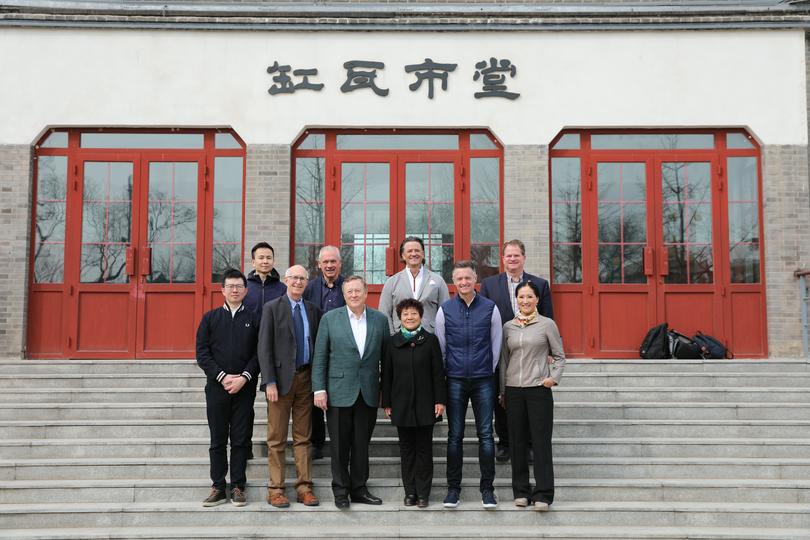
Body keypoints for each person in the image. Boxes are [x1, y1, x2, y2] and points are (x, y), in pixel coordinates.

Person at [312, 275, 389, 509]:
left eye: (358, 291)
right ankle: (340, 490)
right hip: (338, 392)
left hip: (368, 392)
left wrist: (386, 394)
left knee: (361, 444)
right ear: (344, 295)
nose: (354, 295)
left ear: (366, 293)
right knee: (339, 445)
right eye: (349, 292)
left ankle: (359, 488)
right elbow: (320, 358)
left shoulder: (380, 320)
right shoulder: (329, 319)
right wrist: (319, 389)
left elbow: (387, 361)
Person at [434, 261, 502, 509]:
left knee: (485, 435)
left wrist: (486, 368)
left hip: (483, 379)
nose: (464, 282)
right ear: (454, 281)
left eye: (468, 278)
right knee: (455, 436)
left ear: (476, 280)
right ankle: (453, 490)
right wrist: (448, 372)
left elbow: (496, 346)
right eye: (459, 278)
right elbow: (441, 347)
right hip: (455, 380)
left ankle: (488, 490)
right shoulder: (445, 310)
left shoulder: (490, 308)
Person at [480, 239, 553, 463]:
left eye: (516, 255)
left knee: (531, 398)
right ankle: (505, 443)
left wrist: (550, 349)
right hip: (500, 350)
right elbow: (484, 318)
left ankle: (530, 445)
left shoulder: (539, 284)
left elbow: (549, 318)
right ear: (503, 259)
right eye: (508, 255)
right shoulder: (489, 285)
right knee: (501, 398)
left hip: (532, 352)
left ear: (524, 257)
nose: (512, 259)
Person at [258, 265, 322, 508]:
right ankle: (275, 489)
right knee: (276, 439)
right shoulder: (272, 308)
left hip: (306, 380)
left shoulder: (313, 310)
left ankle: (304, 488)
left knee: (303, 438)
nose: (298, 282)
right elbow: (264, 347)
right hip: (280, 383)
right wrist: (269, 381)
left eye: (302, 278)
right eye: (294, 278)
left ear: (307, 282)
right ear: (285, 280)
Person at [195, 268, 260, 508]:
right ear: (222, 290)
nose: (234, 290)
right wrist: (222, 377)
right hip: (216, 388)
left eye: (239, 286)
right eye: (230, 286)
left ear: (245, 290)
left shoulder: (254, 319)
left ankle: (238, 486)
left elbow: (258, 354)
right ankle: (218, 486)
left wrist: (244, 377)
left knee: (241, 439)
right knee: (218, 439)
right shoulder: (210, 318)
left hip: (245, 388)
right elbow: (202, 353)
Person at [499, 281, 565, 512]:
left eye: (529, 297)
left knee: (540, 443)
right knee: (516, 443)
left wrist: (553, 378)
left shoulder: (547, 325)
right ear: (516, 299)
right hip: (514, 390)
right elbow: (504, 361)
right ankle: (521, 492)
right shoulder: (508, 327)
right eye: (521, 297)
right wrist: (502, 390)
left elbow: (559, 355)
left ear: (537, 299)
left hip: (538, 390)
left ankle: (544, 494)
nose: (525, 301)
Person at [382, 299, 446, 508]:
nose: (410, 317)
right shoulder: (392, 342)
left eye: (413, 314)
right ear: (399, 318)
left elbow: (438, 374)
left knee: (424, 450)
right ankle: (410, 492)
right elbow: (387, 375)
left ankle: (423, 494)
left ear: (421, 316)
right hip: (401, 404)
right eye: (405, 314)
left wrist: (440, 400)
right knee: (407, 450)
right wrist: (387, 403)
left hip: (426, 403)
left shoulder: (430, 340)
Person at [302, 245, 346, 460]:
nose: (329, 265)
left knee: (339, 398)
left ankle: (341, 443)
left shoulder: (347, 287)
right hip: (315, 350)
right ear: (319, 265)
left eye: (333, 262)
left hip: (341, 352)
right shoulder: (309, 288)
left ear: (340, 263)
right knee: (315, 396)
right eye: (325, 262)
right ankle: (317, 443)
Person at [378, 236, 450, 334]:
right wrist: (392, 338)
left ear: (423, 254)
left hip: (429, 338)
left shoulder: (438, 281)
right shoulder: (392, 282)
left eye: (417, 250)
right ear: (403, 255)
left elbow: (446, 312)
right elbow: (384, 313)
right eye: (409, 251)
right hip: (400, 339)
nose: (414, 254)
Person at [244, 242, 286, 316]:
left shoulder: (283, 289)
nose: (265, 261)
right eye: (261, 258)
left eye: (269, 258)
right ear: (253, 262)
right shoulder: (244, 287)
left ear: (273, 261)